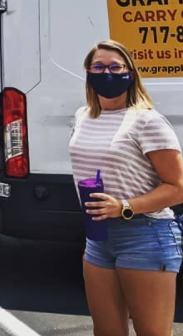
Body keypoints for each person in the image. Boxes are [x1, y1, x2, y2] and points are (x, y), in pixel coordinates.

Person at [69, 40, 183, 336]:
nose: (105, 72)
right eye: (98, 66)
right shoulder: (83, 116)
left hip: (145, 234)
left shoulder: (147, 120)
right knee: (105, 331)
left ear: (130, 74)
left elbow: (178, 186)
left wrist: (124, 206)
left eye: (115, 67)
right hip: (97, 237)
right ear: (88, 73)